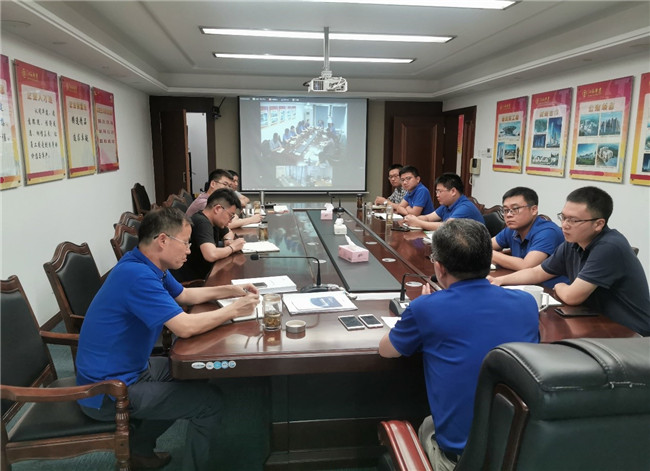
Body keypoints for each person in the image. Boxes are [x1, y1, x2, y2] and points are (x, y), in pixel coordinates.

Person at [76, 207, 260, 470]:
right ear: (163, 240)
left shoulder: (146, 263)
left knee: (197, 372)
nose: (189, 251)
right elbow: (184, 327)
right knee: (209, 403)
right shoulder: (137, 275)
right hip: (107, 390)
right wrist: (234, 310)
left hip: (132, 369)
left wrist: (233, 290)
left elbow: (184, 295)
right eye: (185, 243)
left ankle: (139, 450)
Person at [379, 219, 539, 470]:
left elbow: (386, 350)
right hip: (519, 451)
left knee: (427, 425)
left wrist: (423, 308)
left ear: (439, 267)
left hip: (460, 461)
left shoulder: (426, 308)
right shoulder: (526, 302)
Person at [491, 186, 650, 336]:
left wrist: (559, 286)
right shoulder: (572, 243)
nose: (565, 225)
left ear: (598, 224)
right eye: (563, 217)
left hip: (630, 334)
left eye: (573, 220)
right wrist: (499, 280)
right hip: (593, 321)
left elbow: (572, 297)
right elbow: (537, 272)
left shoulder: (609, 246)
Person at [492, 187, 567, 287]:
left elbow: (526, 266)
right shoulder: (512, 229)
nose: (509, 215)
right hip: (521, 283)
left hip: (551, 290)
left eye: (515, 209)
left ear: (533, 210)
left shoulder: (548, 232)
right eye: (505, 210)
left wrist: (489, 253)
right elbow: (482, 245)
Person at [171, 188, 246, 283]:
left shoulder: (214, 220)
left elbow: (228, 232)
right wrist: (232, 247)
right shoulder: (202, 222)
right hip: (194, 280)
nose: (230, 221)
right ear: (218, 209)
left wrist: (228, 240)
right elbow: (211, 255)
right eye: (230, 215)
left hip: (206, 273)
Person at [404, 173, 483, 230]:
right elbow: (428, 218)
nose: (437, 195)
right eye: (436, 191)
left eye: (440, 191)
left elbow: (446, 226)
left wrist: (418, 223)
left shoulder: (465, 207)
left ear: (453, 191)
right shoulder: (446, 205)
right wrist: (412, 219)